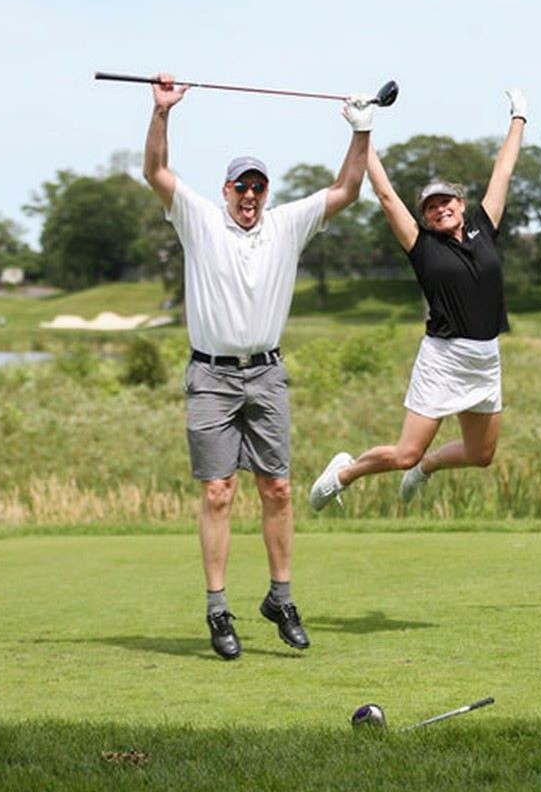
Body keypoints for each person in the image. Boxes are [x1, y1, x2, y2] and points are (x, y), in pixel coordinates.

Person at [143, 74, 370, 659]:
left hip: (266, 373)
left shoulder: (286, 224)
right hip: (211, 376)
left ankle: (281, 598)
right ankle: (219, 609)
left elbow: (348, 189)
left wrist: (361, 128)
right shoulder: (198, 218)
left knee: (278, 488)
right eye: (241, 187)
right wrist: (163, 112)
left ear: (266, 193)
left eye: (258, 189)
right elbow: (157, 174)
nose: (250, 197)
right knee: (218, 492)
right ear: (225, 190)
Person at [310, 89, 527, 511]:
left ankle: (425, 468)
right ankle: (343, 472)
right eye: (431, 206)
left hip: (486, 358)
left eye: (446, 201)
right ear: (425, 216)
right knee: (403, 451)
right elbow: (387, 195)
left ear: (461, 205)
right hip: (444, 359)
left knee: (481, 455)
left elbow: (503, 171)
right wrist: (363, 130)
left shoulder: (484, 226)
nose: (439, 208)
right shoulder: (421, 245)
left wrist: (519, 117)